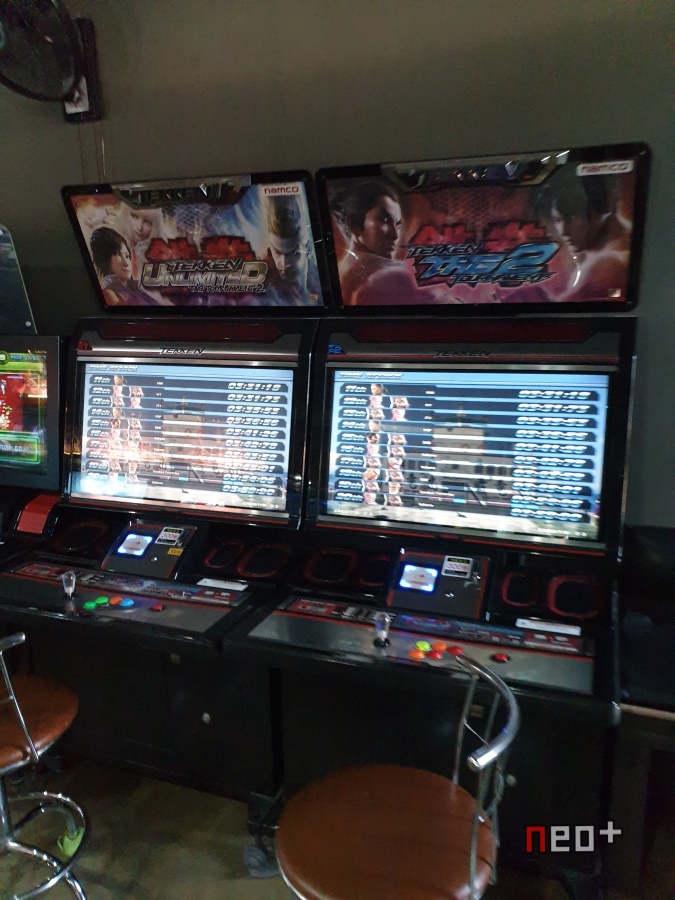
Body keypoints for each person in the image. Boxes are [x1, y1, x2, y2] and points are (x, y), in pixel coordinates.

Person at [331, 180, 460, 306]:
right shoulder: (394, 276)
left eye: (398, 225)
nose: (395, 236)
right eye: (384, 220)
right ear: (354, 224)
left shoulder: (336, 275)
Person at [263, 195, 320, 306]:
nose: (284, 263)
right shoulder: (265, 287)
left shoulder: (321, 281)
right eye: (277, 252)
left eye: (293, 253)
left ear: (308, 248)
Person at [90, 227, 156, 306]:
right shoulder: (109, 294)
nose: (126, 263)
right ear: (105, 259)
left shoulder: (139, 288)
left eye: (127, 256)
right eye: (118, 255)